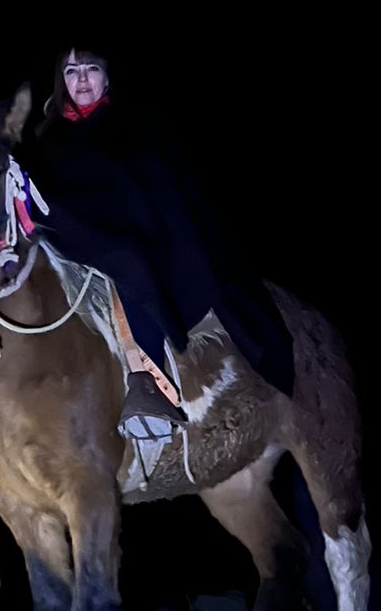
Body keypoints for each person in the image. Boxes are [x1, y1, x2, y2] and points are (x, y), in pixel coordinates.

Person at [27, 47, 294, 447]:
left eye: (91, 69)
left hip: (140, 231)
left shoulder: (131, 124)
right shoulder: (48, 136)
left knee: (131, 264)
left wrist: (125, 217)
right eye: (71, 71)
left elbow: (155, 186)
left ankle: (148, 383)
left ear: (107, 76)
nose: (81, 80)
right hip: (72, 233)